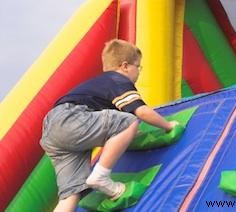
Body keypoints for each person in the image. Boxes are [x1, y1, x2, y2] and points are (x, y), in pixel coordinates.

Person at [40, 39, 178, 212]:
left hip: (52, 129)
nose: (139, 72)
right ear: (125, 66)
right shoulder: (118, 80)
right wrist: (168, 125)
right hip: (70, 118)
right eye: (139, 67)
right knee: (129, 121)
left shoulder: (100, 84)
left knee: (71, 192)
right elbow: (141, 112)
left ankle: (113, 190)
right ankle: (101, 176)